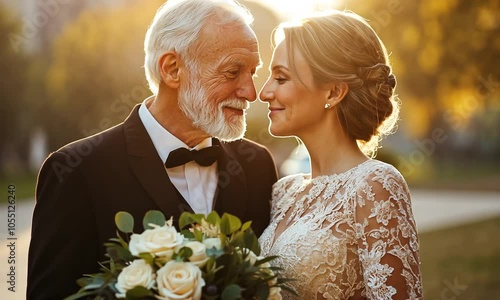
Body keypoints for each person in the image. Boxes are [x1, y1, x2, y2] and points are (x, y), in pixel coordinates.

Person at [27, 0, 278, 298]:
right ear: (172, 69)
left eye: (253, 72)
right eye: (232, 71)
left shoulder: (257, 165)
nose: (251, 92)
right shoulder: (76, 170)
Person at [258, 10, 422, 299]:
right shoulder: (283, 191)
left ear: (333, 93)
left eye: (281, 78)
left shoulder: (375, 185)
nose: (265, 92)